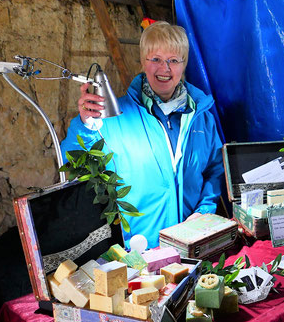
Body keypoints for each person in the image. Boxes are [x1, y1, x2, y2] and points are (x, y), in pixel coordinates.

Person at [60, 21, 224, 249]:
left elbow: (214, 171)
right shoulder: (111, 117)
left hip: (191, 243)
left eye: (174, 60)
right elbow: (73, 162)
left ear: (184, 64)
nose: (165, 69)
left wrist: (204, 212)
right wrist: (85, 125)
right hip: (138, 249)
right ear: (142, 62)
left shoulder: (201, 116)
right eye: (155, 59)